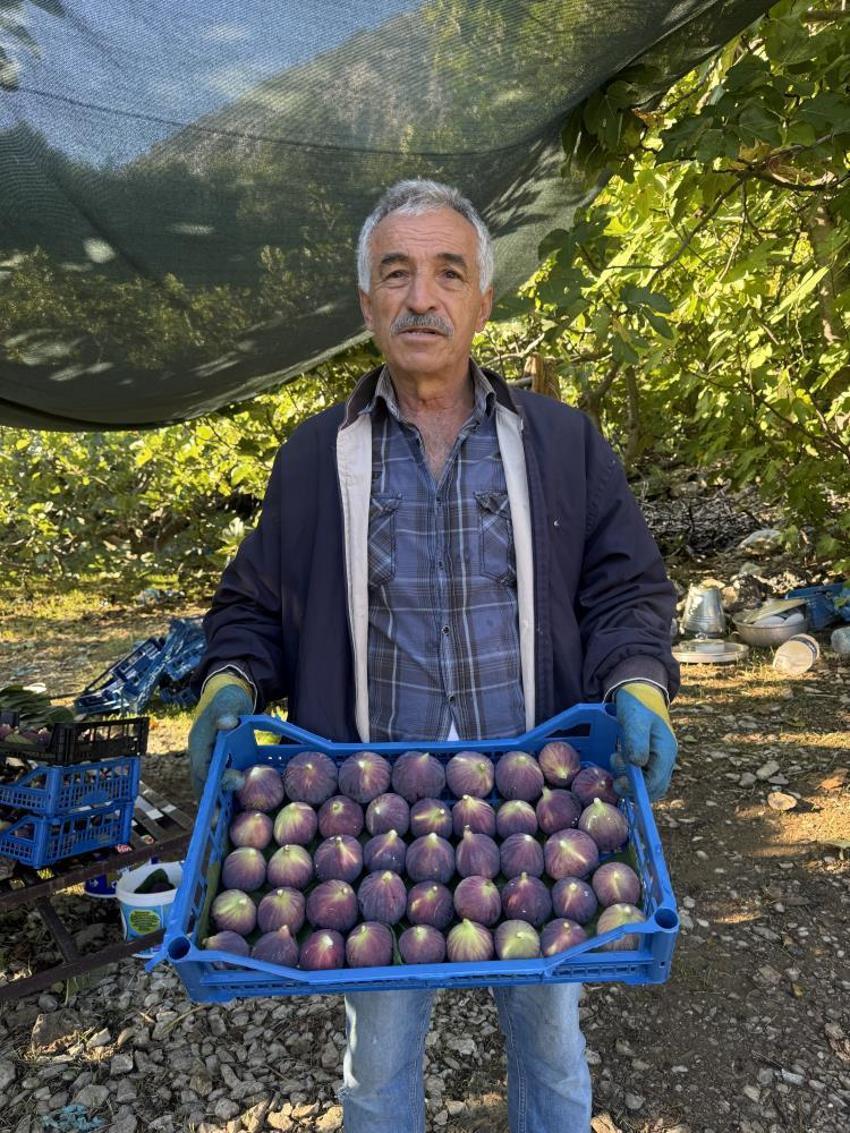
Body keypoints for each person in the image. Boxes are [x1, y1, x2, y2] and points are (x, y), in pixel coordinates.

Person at [188, 179, 679, 1133]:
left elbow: (625, 588)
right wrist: (227, 678)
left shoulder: (563, 444)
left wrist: (639, 683)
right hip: (369, 799)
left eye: (448, 273)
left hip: (540, 790)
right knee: (378, 1063)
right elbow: (251, 604)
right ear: (366, 303)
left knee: (551, 1041)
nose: (423, 297)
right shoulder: (313, 458)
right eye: (397, 273)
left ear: (483, 301)